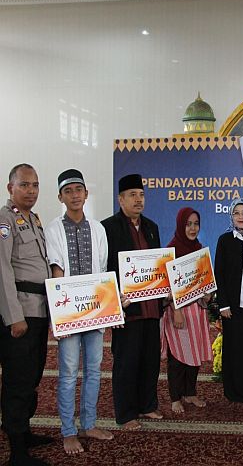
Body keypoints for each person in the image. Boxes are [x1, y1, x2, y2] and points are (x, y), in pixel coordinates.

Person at [44, 169, 114, 454]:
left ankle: (89, 424)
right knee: (69, 372)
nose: (74, 195)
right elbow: (57, 271)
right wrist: (60, 318)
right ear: (60, 197)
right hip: (69, 313)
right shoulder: (53, 229)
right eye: (68, 191)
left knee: (94, 370)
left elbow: (103, 271)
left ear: (86, 194)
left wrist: (109, 310)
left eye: (78, 190)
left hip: (95, 311)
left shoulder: (97, 229)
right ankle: (68, 431)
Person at [102, 173, 163, 431]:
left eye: (141, 195)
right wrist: (114, 302)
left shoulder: (151, 227)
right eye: (132, 195)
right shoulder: (108, 228)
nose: (138, 200)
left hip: (151, 307)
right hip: (127, 308)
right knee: (126, 362)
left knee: (150, 359)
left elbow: (159, 266)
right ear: (121, 199)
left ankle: (147, 405)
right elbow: (104, 268)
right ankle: (126, 413)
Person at [0, 164, 52, 466]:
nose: (31, 191)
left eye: (35, 185)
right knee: (18, 381)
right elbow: (3, 270)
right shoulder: (5, 220)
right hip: (20, 312)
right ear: (11, 188)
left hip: (39, 310)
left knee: (32, 375)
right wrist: (13, 316)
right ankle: (17, 452)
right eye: (24, 185)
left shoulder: (33, 219)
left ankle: (24, 432)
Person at [160, 207, 212, 414]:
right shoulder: (171, 251)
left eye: (196, 224)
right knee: (178, 356)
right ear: (180, 225)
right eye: (188, 224)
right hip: (179, 311)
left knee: (194, 351)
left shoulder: (199, 250)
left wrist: (208, 294)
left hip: (197, 311)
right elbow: (166, 286)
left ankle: (190, 392)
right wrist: (176, 310)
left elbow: (203, 281)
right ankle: (175, 397)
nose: (192, 228)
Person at [214, 198, 243, 402]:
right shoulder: (224, 241)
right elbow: (219, 274)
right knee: (234, 348)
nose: (241, 217)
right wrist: (223, 304)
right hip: (232, 307)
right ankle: (233, 390)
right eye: (237, 213)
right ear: (231, 217)